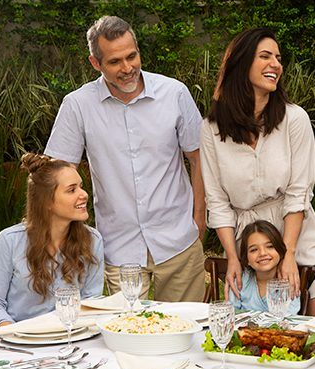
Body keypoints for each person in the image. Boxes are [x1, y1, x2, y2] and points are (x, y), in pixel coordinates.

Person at [44, 15, 205, 302]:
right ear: (96, 63)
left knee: (188, 333)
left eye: (132, 56)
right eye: (115, 62)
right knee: (128, 334)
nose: (128, 68)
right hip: (119, 246)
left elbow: (199, 158)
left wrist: (198, 221)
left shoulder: (174, 93)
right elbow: (56, 174)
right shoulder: (77, 105)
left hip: (180, 240)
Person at [200, 27, 315, 316]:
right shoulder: (211, 128)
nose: (276, 64)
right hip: (245, 241)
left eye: (278, 58)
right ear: (242, 63)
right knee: (248, 324)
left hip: (295, 230)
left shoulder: (294, 119)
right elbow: (217, 202)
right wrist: (233, 257)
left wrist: (289, 254)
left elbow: (298, 192)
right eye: (265, 56)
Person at [0, 154, 104, 329]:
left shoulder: (93, 240)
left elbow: (92, 303)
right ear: (46, 201)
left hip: (70, 338)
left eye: (81, 187)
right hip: (16, 341)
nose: (84, 194)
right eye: (71, 190)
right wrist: (11, 331)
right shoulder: (9, 241)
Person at [229, 220, 301, 314]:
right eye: (254, 250)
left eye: (270, 246)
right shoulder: (241, 281)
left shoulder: (288, 281)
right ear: (246, 259)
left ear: (280, 250)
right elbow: (231, 313)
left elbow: (289, 319)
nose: (262, 253)